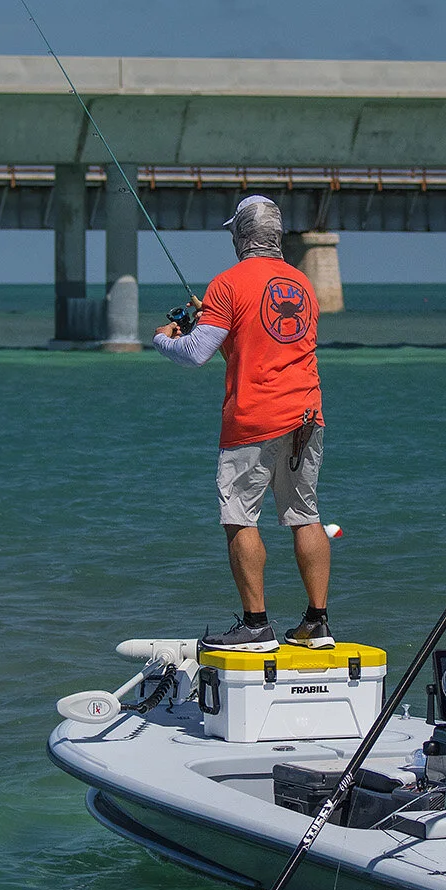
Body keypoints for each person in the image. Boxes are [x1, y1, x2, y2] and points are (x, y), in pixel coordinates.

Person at [152, 195, 334, 651]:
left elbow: (195, 353)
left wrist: (163, 340)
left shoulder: (227, 284)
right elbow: (261, 345)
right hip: (307, 416)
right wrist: (221, 323)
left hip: (254, 420)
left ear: (241, 236)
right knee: (306, 516)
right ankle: (317, 623)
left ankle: (256, 626)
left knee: (239, 518)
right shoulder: (303, 284)